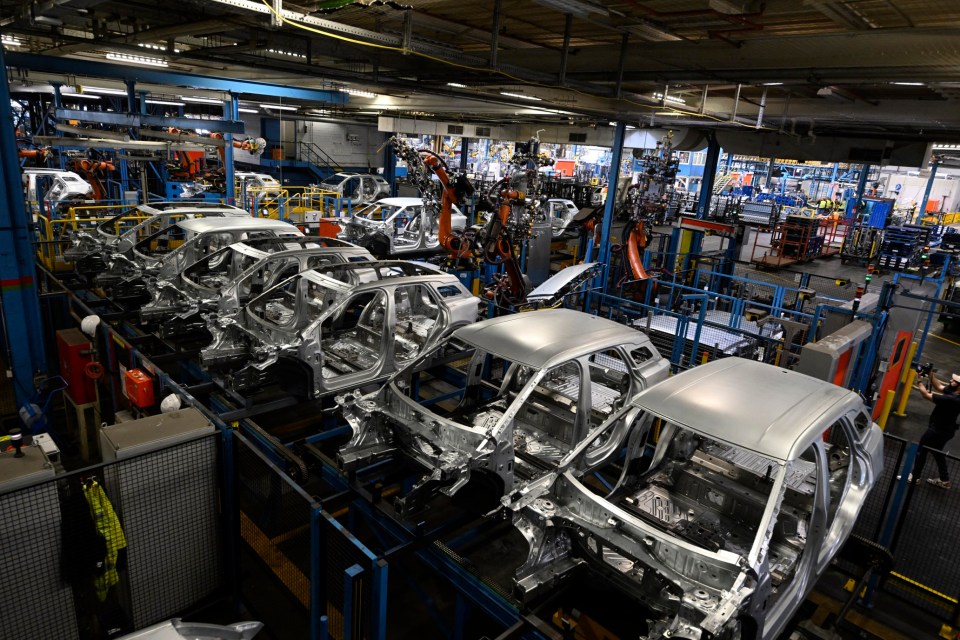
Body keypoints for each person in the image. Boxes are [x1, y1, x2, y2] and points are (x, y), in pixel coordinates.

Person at [911, 370, 960, 488]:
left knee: (922, 450)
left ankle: (915, 477)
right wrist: (931, 374)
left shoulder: (953, 399)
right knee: (936, 451)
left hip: (937, 430)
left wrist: (919, 381)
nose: (951, 381)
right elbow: (938, 385)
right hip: (946, 431)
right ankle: (945, 480)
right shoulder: (954, 393)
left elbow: (925, 395)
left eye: (954, 381)